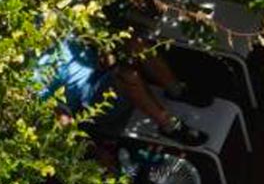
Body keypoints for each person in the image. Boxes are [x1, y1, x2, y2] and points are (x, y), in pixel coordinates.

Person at [35, 35, 211, 145]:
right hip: (92, 102)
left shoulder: (53, 26)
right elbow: (54, 109)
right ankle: (170, 126)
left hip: (103, 70)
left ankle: (176, 90)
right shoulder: (30, 72)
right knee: (126, 77)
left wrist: (105, 50)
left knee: (135, 42)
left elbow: (92, 38)